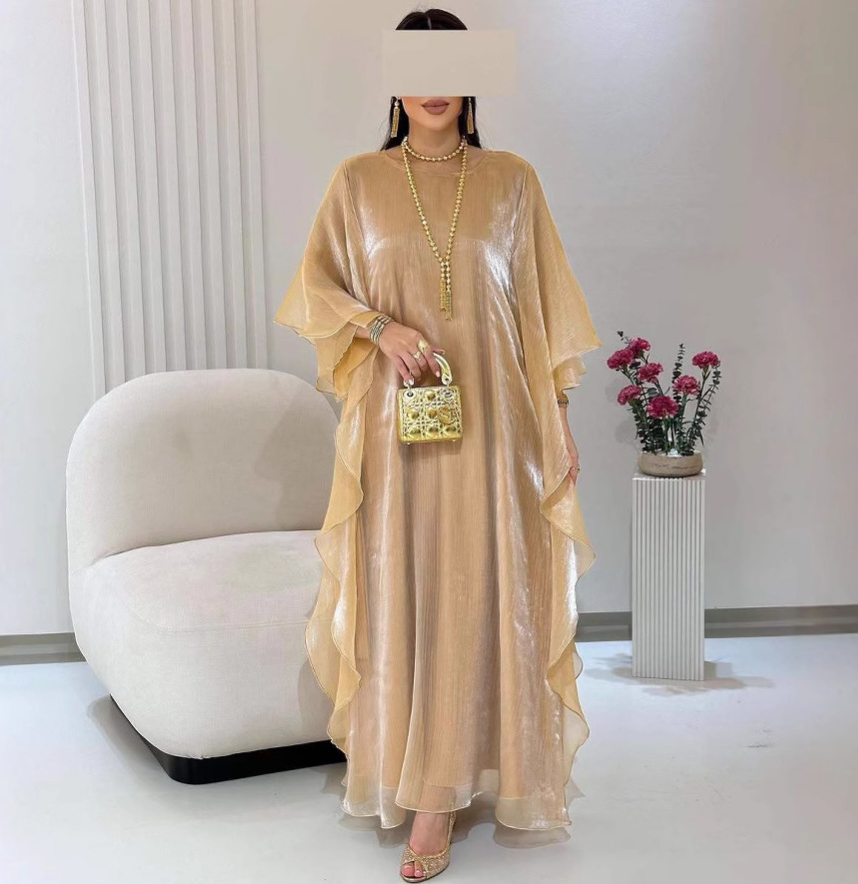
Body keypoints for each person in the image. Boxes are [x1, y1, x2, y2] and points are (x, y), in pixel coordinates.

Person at [273, 8, 603, 880]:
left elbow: (543, 313)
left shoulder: (513, 181)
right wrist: (378, 327)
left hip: (496, 428)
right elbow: (315, 288)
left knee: (485, 589)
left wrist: (560, 419)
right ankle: (420, 773)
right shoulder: (357, 181)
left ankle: (447, 789)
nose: (433, 86)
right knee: (409, 588)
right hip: (398, 430)